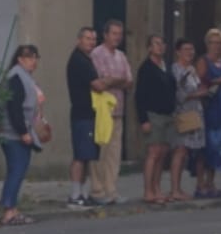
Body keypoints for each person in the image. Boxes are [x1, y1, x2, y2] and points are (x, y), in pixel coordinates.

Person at [0, 45, 45, 227]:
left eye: (35, 57)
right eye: (29, 57)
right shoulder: (16, 77)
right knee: (16, 170)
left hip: (19, 131)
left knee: (18, 170)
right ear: (20, 59)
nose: (34, 61)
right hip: (14, 133)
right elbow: (14, 107)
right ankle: (9, 210)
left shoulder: (25, 77)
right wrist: (23, 132)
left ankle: (12, 207)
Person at [89, 20, 133, 205]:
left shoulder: (121, 56)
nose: (117, 37)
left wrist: (112, 81)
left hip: (118, 109)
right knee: (101, 152)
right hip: (102, 111)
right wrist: (116, 81)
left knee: (114, 153)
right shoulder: (97, 54)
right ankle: (97, 190)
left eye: (119, 34)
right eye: (114, 33)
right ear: (105, 34)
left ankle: (111, 190)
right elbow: (99, 82)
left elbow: (128, 82)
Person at [135, 34, 178, 206]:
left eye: (162, 43)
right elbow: (140, 95)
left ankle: (157, 188)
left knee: (162, 153)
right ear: (149, 47)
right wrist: (143, 119)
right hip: (153, 114)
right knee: (153, 152)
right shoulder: (146, 68)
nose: (160, 47)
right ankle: (148, 191)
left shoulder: (165, 67)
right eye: (156, 44)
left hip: (167, 114)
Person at [197, 28, 221, 198]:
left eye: (220, 44)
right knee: (208, 145)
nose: (218, 47)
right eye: (214, 43)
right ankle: (201, 183)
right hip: (210, 107)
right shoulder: (203, 61)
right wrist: (218, 81)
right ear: (208, 44)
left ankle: (211, 182)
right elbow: (200, 81)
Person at [167, 37, 207, 202]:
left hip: (195, 113)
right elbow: (180, 94)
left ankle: (182, 187)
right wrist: (199, 94)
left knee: (190, 152)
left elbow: (197, 87)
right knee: (180, 150)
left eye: (191, 49)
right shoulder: (176, 70)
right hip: (183, 114)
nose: (189, 53)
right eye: (185, 49)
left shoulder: (192, 69)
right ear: (178, 52)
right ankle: (174, 189)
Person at [66, 26, 102, 206]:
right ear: (79, 39)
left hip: (89, 114)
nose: (91, 42)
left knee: (88, 155)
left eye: (93, 39)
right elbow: (98, 85)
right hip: (82, 115)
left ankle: (83, 192)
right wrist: (112, 80)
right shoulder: (79, 60)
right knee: (80, 155)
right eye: (88, 38)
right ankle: (75, 194)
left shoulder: (87, 59)